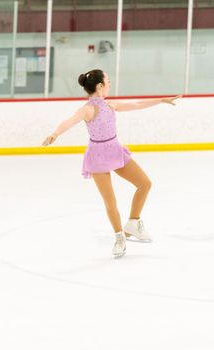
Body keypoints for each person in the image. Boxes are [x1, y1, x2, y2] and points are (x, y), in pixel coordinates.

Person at [42, 69, 181, 258]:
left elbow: (136, 104)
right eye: (108, 81)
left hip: (115, 151)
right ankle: (119, 238)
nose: (110, 84)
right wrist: (55, 134)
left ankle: (133, 222)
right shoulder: (88, 109)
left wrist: (160, 100)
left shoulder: (110, 105)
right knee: (111, 201)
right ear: (100, 86)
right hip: (98, 157)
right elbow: (70, 121)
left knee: (145, 184)